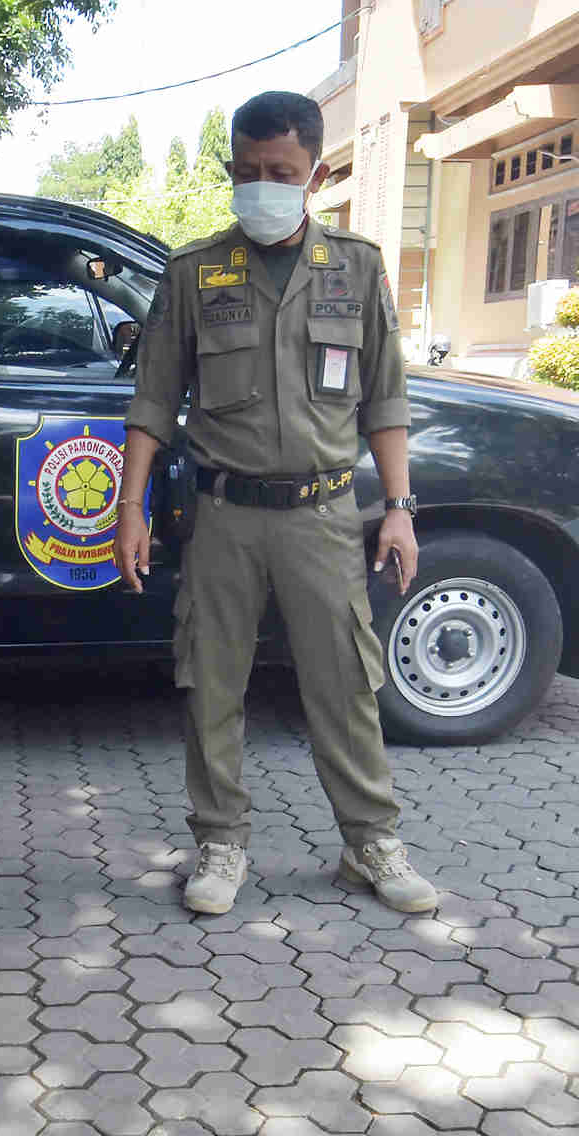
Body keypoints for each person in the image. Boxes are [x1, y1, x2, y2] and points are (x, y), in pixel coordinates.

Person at [114, 91, 442, 917]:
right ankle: (220, 843)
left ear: (316, 174)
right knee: (212, 681)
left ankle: (371, 841)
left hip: (326, 515)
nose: (263, 186)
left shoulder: (359, 268)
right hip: (224, 514)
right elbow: (154, 400)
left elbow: (385, 403)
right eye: (249, 171)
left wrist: (399, 505)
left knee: (345, 684)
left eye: (282, 173)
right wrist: (131, 507)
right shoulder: (193, 274)